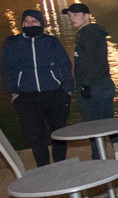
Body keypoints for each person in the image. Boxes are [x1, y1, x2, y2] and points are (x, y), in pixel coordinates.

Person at [1, 9, 73, 166]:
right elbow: (7, 68)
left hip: (54, 93)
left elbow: (65, 64)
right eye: (26, 22)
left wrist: (67, 89)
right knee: (35, 136)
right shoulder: (13, 43)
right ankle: (44, 169)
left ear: (41, 23)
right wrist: (13, 92)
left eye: (34, 21)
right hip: (26, 97)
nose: (30, 24)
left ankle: (61, 165)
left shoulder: (51, 41)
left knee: (58, 133)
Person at [63, 3, 118, 158]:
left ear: (87, 16)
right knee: (108, 123)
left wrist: (86, 85)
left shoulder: (89, 34)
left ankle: (99, 159)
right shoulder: (89, 33)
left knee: (94, 126)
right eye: (70, 15)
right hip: (99, 84)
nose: (71, 18)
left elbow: (96, 61)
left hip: (94, 86)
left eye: (76, 15)